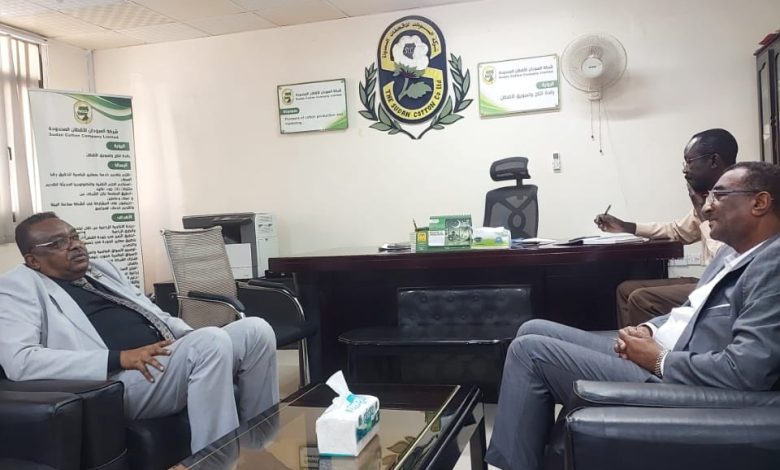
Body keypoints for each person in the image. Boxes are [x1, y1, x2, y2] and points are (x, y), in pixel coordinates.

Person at [487, 161, 780, 470]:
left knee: (530, 351)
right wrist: (649, 329)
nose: (707, 207)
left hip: (683, 381)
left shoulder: (772, 265)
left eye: (719, 196)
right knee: (532, 328)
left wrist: (659, 359)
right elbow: (691, 312)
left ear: (759, 203)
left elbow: (745, 371)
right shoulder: (731, 253)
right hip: (666, 352)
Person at [0, 212, 279, 453]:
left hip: (161, 359)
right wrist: (118, 358)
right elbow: (20, 362)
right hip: (117, 381)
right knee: (210, 342)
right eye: (58, 243)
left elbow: (156, 314)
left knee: (256, 330)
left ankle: (259, 447)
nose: (75, 245)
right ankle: (217, 463)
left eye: (74, 236)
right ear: (33, 260)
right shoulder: (17, 287)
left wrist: (189, 337)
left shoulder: (102, 270)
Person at [595, 128, 736, 328]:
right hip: (710, 279)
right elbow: (677, 231)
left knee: (642, 298)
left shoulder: (737, 199)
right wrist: (626, 226)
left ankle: (650, 347)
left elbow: (725, 257)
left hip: (726, 287)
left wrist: (702, 211)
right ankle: (627, 344)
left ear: (714, 160)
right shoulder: (710, 196)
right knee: (625, 289)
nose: (685, 170)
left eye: (689, 161)